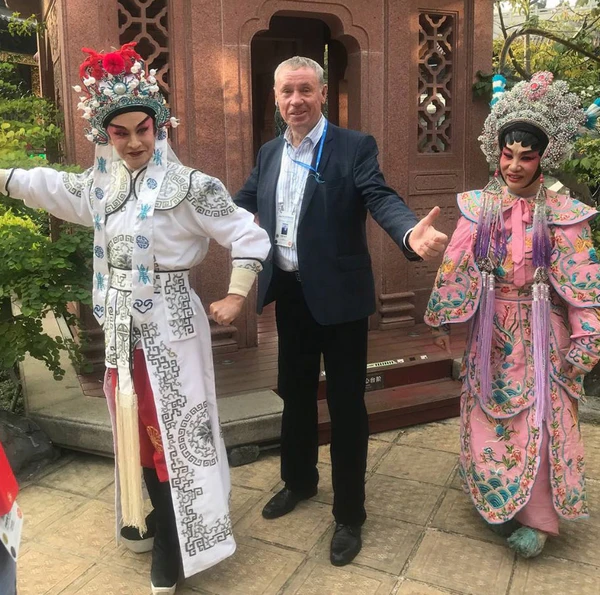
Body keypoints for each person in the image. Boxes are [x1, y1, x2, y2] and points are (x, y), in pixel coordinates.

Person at [0, 43, 270, 594]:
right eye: (119, 133)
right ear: (106, 135)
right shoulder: (103, 186)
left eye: (142, 129)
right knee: (137, 430)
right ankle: (154, 519)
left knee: (174, 434)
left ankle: (179, 541)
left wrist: (236, 295)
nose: (133, 142)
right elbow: (48, 186)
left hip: (173, 331)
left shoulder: (190, 186)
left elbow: (247, 234)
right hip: (122, 331)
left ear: (159, 126)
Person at [234, 56, 448, 566]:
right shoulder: (269, 152)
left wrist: (408, 232)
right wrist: (190, 217)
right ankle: (299, 481)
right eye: (286, 91)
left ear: (323, 93)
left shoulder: (354, 146)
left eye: (305, 90)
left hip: (343, 300)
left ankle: (350, 513)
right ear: (276, 97)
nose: (295, 101)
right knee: (295, 394)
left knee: (347, 406)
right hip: (290, 294)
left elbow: (380, 196)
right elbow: (241, 202)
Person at [425, 71, 600, 558]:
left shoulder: (566, 214)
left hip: (544, 335)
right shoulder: (479, 208)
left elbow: (585, 286)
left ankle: (539, 520)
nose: (515, 166)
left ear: (544, 158)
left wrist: (587, 338)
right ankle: (500, 499)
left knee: (541, 420)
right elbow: (456, 266)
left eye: (526, 157)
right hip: (491, 335)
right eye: (508, 155)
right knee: (488, 416)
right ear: (496, 153)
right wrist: (444, 320)